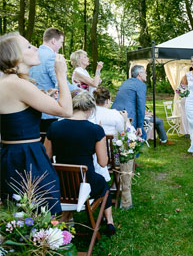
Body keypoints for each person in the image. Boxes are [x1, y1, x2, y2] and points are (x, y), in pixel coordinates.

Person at [0, 32, 72, 213]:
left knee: (20, 215)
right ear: (15, 56)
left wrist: (44, 97)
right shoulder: (17, 84)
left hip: (12, 155)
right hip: (27, 158)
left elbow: (16, 115)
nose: (35, 48)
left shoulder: (8, 82)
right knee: (41, 213)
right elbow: (66, 110)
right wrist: (61, 75)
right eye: (29, 46)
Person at [45, 91, 116, 234]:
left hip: (60, 184)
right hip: (85, 182)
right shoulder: (95, 130)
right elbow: (103, 163)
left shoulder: (54, 127)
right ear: (90, 109)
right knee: (103, 183)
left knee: (99, 181)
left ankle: (64, 222)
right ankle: (109, 221)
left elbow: (47, 157)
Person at [28, 27, 64, 137]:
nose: (61, 45)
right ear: (53, 41)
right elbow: (61, 83)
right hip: (48, 111)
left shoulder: (32, 54)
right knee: (48, 147)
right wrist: (81, 93)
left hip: (30, 109)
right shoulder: (52, 57)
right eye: (61, 42)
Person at [112, 64, 147, 138]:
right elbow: (141, 106)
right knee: (141, 136)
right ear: (140, 74)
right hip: (128, 114)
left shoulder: (126, 82)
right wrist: (140, 126)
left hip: (114, 112)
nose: (146, 75)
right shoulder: (141, 84)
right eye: (145, 72)